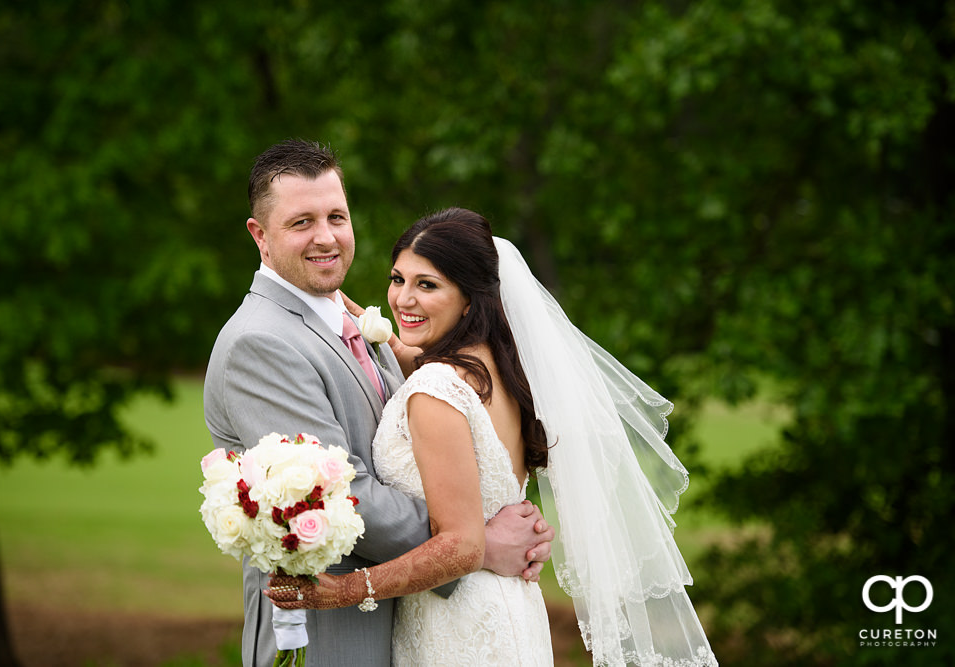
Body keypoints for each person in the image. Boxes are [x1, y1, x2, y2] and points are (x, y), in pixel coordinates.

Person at [268, 208, 719, 667]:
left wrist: (345, 590)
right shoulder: (501, 369)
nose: (403, 299)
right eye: (398, 278)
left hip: (458, 627)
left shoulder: (436, 391)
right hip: (510, 611)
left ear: (469, 299)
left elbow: (462, 545)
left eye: (428, 285)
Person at [203, 142, 553, 667]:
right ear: (260, 236)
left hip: (409, 622)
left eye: (336, 217)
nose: (326, 237)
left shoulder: (354, 322)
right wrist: (477, 543)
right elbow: (343, 495)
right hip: (327, 636)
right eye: (302, 222)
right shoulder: (261, 343)